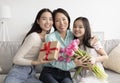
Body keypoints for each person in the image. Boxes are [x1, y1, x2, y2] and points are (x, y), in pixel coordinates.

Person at [4, 8, 53, 83]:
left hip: (31, 73)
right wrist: (36, 62)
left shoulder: (48, 38)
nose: (48, 22)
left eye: (50, 19)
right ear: (38, 21)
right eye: (44, 19)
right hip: (19, 71)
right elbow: (16, 59)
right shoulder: (34, 36)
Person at [39, 8, 85, 83]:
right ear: (54, 23)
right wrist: (72, 64)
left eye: (64, 19)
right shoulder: (50, 37)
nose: (61, 23)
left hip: (65, 73)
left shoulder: (73, 34)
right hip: (49, 72)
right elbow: (52, 61)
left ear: (68, 20)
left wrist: (94, 38)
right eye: (57, 21)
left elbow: (85, 34)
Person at [72, 17, 109, 83]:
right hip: (82, 74)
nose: (77, 29)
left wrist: (94, 59)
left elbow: (106, 56)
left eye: (80, 27)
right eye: (74, 26)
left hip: (94, 74)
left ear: (86, 29)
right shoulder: (74, 44)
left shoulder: (93, 41)